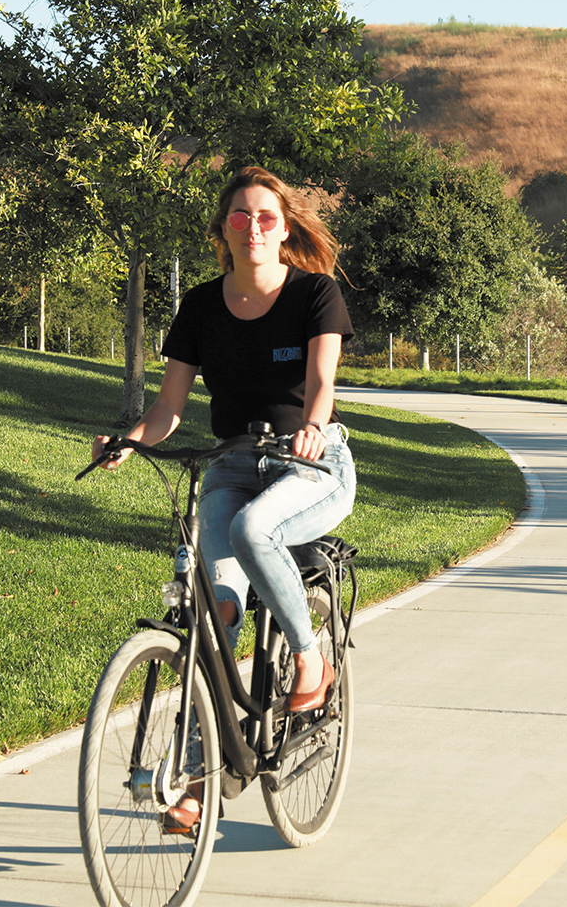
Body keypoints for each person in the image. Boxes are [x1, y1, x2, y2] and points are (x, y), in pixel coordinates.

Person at [93, 166, 357, 832]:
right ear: (222, 231)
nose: (254, 226)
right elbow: (169, 409)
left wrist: (313, 429)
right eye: (240, 216)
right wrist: (129, 441)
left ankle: (309, 660)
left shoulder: (315, 295)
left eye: (266, 216)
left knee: (252, 531)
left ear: (286, 226)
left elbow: (321, 382)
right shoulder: (202, 307)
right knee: (216, 614)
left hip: (312, 466)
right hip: (234, 465)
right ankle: (196, 777)